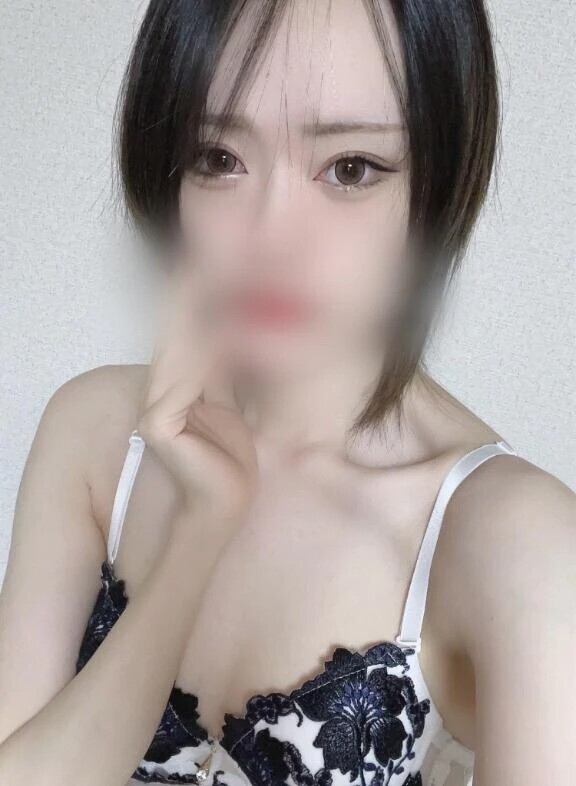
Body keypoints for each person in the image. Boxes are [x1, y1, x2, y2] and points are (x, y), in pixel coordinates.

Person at [0, 1, 573, 784]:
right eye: (217, 157)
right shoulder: (96, 436)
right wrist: (199, 532)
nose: (270, 236)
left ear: (440, 180)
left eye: (350, 168)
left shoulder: (519, 545)